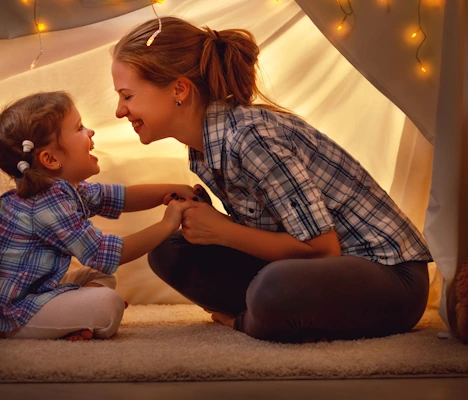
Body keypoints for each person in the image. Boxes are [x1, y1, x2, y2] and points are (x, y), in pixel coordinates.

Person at [111, 17, 433, 343]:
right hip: (317, 272)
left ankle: (249, 321)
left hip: (389, 278)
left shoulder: (250, 137)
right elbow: (274, 233)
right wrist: (210, 225)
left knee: (275, 288)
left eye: (127, 96)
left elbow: (322, 250)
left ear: (179, 90)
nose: (119, 112)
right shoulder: (205, 148)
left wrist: (222, 230)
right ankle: (269, 314)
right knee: (169, 250)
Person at [0, 91, 193, 341]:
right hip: (9, 309)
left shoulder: (63, 190)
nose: (90, 132)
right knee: (108, 304)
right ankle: (71, 317)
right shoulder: (46, 203)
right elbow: (103, 254)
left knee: (98, 276)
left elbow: (121, 197)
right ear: (50, 159)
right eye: (79, 128)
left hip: (33, 288)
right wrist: (168, 224)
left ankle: (74, 317)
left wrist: (172, 190)